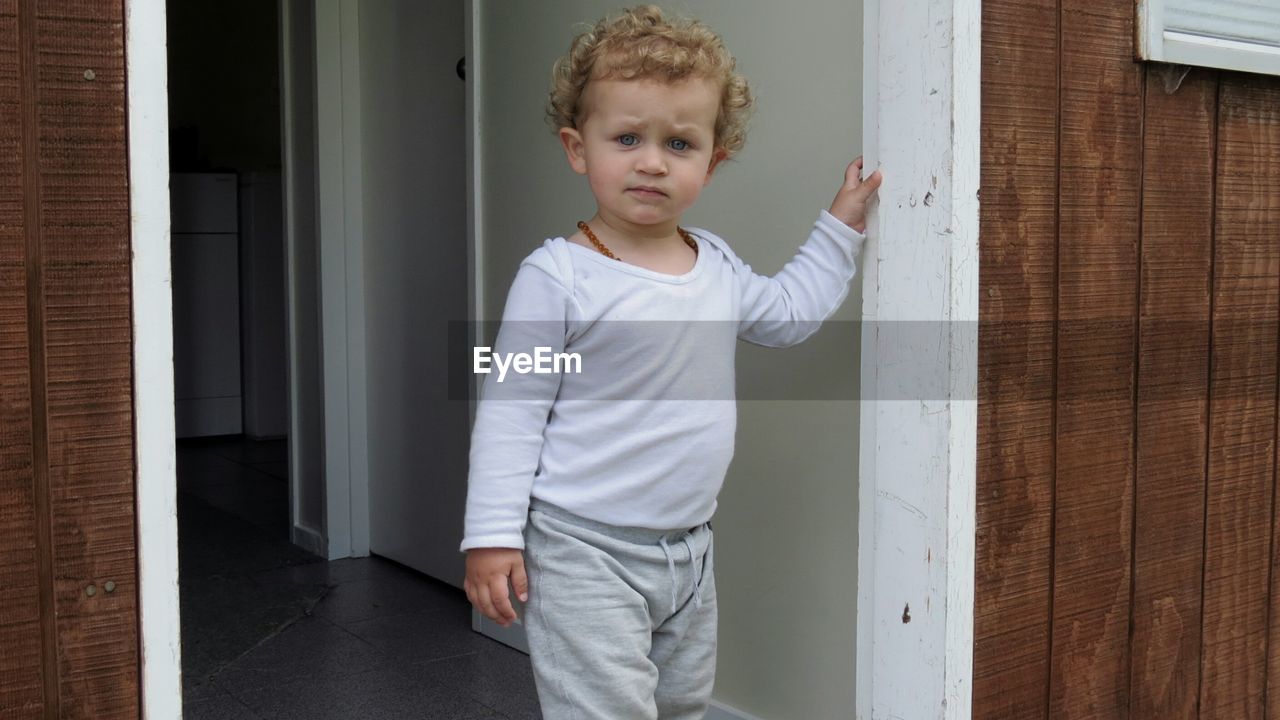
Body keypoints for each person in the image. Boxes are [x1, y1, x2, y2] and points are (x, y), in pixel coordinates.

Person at [460, 5, 882, 718]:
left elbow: (786, 315)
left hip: (687, 551)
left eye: (679, 143)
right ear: (577, 147)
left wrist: (839, 227)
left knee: (682, 705)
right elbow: (511, 409)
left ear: (712, 161)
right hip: (580, 549)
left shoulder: (712, 263)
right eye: (626, 137)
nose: (652, 161)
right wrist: (491, 536)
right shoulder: (558, 276)